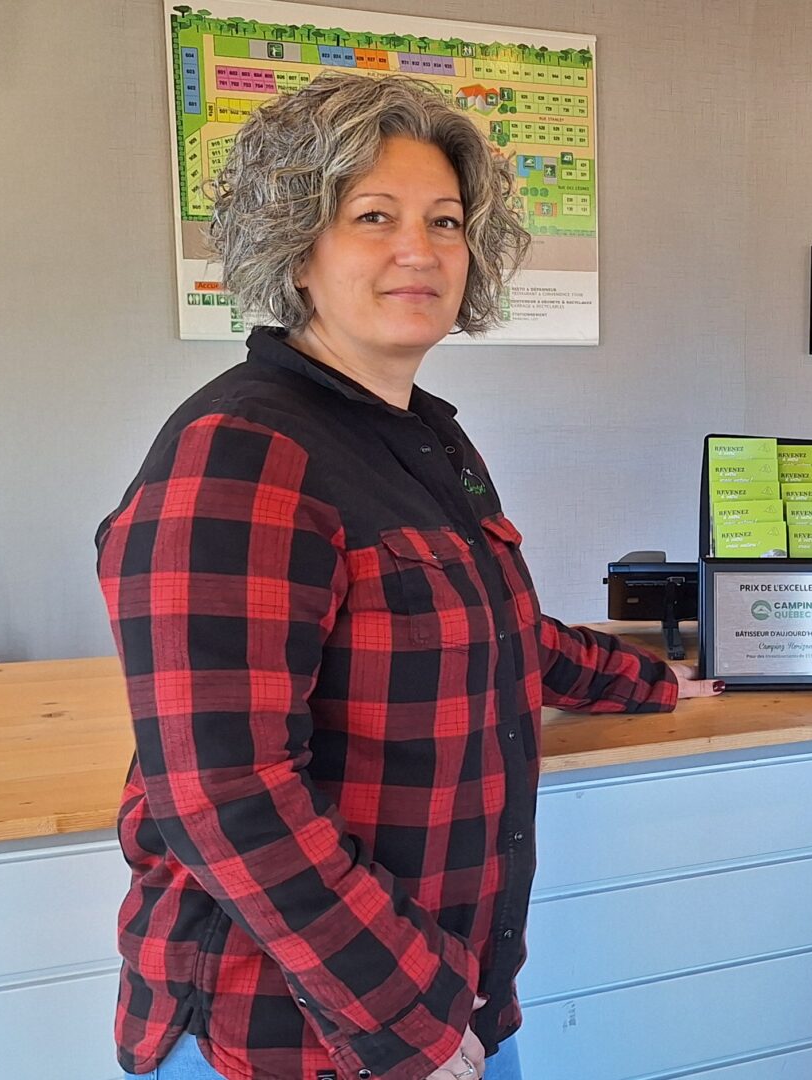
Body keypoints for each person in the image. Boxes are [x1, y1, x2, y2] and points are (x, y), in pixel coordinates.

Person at [96, 73, 720, 1080]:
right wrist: (408, 1023)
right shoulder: (240, 453)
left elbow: (494, 629)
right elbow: (223, 792)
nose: (419, 250)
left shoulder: (418, 437)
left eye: (443, 220)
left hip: (445, 1001)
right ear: (298, 248)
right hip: (295, 1035)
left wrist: (654, 680)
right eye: (372, 217)